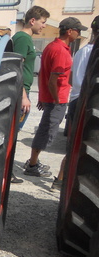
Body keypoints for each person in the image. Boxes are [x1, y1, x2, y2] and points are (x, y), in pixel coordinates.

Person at [24, 17, 87, 178]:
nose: (79, 34)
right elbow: (53, 80)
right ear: (70, 31)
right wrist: (57, 100)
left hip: (50, 97)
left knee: (45, 129)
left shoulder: (51, 46)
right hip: (56, 98)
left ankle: (33, 162)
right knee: (46, 132)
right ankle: (32, 164)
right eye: (78, 31)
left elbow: (43, 74)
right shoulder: (61, 51)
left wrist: (43, 97)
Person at [52, 15, 98, 190]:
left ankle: (60, 179)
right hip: (86, 101)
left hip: (75, 99)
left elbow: (71, 78)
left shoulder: (80, 51)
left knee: (73, 146)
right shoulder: (92, 53)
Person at [10, 6, 50, 183]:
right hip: (20, 93)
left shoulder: (25, 39)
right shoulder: (22, 39)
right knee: (11, 134)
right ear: (32, 21)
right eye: (42, 22)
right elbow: (16, 67)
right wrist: (24, 95)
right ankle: (6, 172)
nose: (44, 26)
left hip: (22, 91)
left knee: (13, 133)